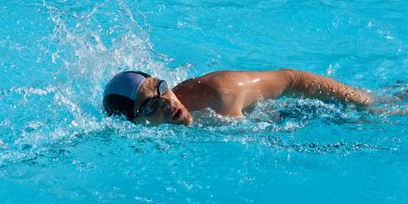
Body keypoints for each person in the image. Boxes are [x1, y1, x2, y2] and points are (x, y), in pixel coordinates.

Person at [102, 69, 375, 126]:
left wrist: (363, 101)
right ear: (135, 123)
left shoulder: (219, 92)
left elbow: (291, 79)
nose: (167, 101)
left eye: (162, 88)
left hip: (310, 113)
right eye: (150, 105)